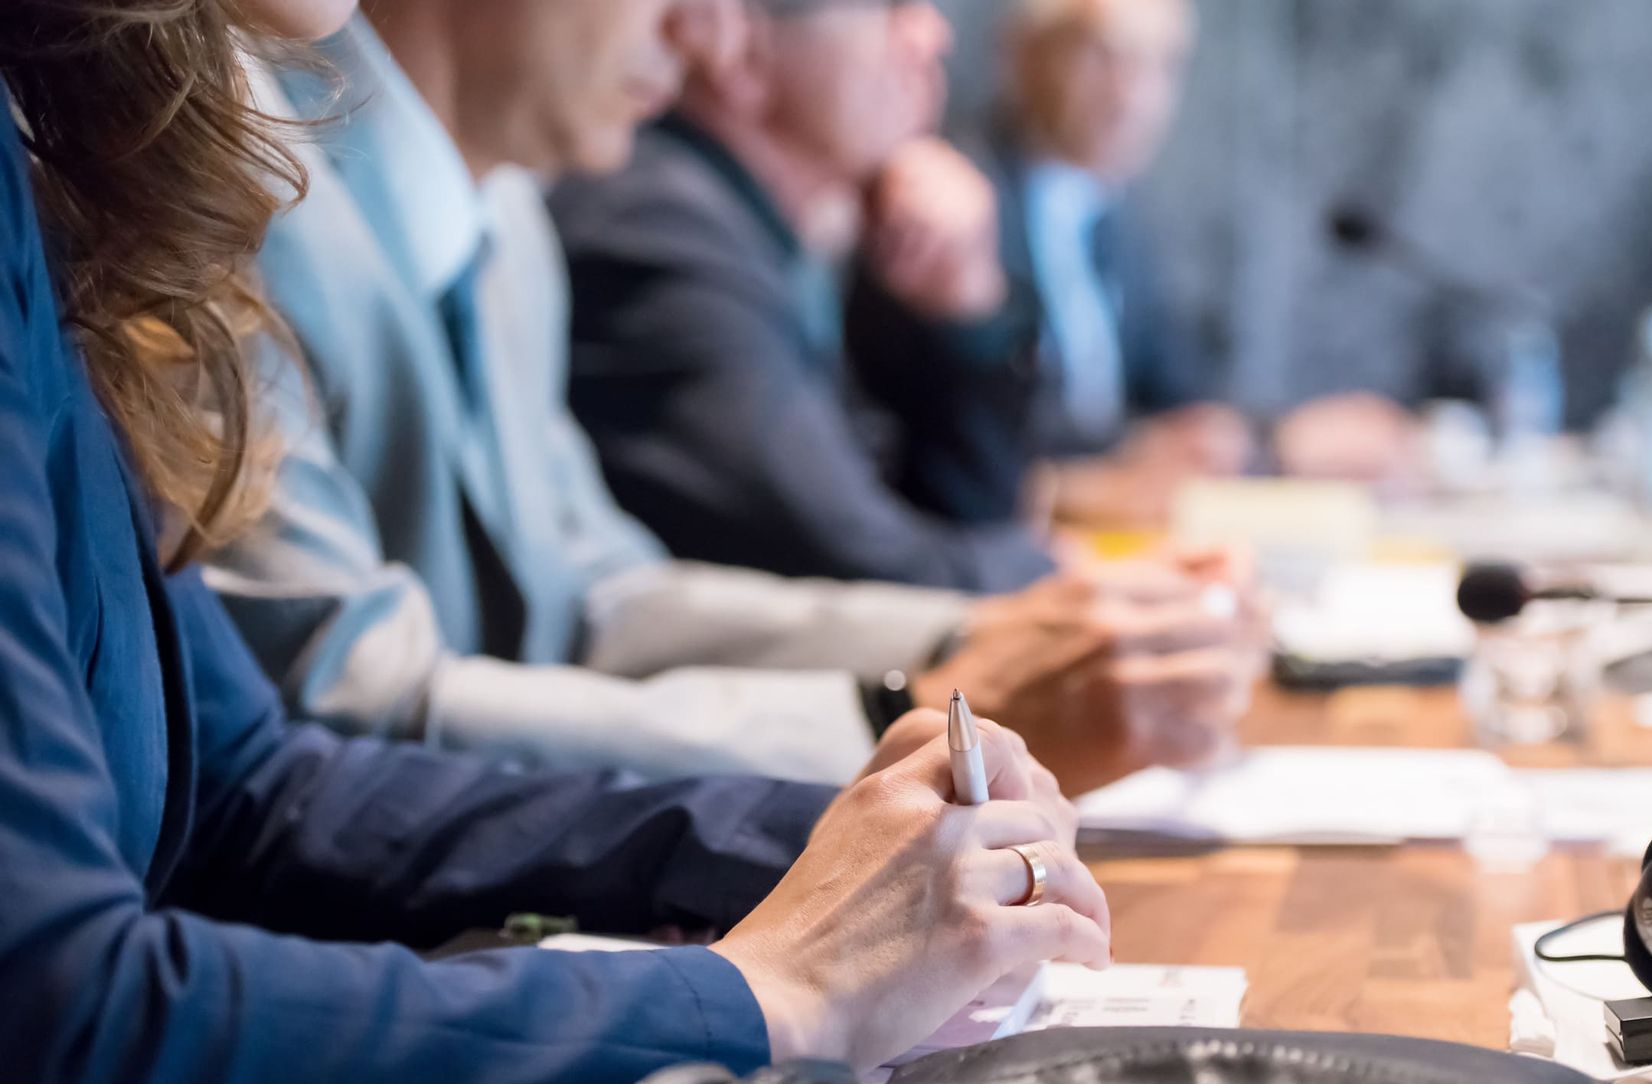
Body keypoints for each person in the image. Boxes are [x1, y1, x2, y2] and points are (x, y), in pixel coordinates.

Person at [0, 0, 1108, 1084]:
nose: (695, 31)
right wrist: (762, 998)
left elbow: (252, 787)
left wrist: (812, 838)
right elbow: (51, 1040)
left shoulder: (59, 149)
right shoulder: (258, 185)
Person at [212, 0, 1255, 794]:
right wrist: (912, 703)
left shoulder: (512, 218)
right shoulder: (233, 197)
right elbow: (340, 709)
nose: (699, 32)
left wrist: (978, 635)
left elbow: (601, 595)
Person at [552, 0, 1075, 590]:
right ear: (745, 54)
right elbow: (858, 570)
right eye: (892, 8)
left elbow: (946, 512)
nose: (934, 34)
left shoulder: (802, 235)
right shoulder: (654, 226)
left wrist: (963, 306)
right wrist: (1059, 574)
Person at [862, 0, 1412, 530]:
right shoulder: (954, 200)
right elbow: (977, 433)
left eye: (1159, 65)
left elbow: (1179, 397)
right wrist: (1129, 457)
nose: (1132, 96)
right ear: (1023, 54)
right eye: (1102, 56)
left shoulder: (1119, 216)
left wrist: (1275, 440)